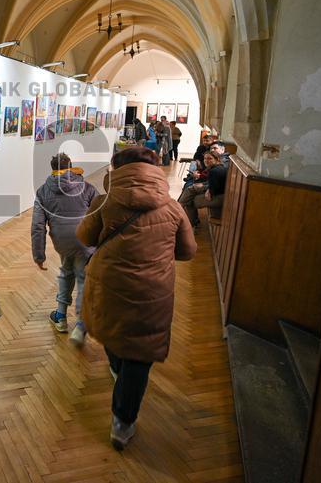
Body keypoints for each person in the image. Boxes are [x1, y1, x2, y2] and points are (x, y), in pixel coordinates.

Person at [76, 147, 196, 451]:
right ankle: (122, 423)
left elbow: (85, 237)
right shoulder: (172, 208)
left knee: (114, 333)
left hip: (108, 286)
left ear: (117, 169)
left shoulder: (104, 201)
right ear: (154, 171)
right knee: (140, 352)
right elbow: (187, 251)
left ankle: (118, 373)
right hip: (152, 292)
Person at [31, 153, 99, 346]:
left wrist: (39, 255)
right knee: (82, 277)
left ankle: (60, 317)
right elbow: (98, 214)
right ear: (71, 166)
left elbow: (37, 225)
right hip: (85, 241)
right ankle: (81, 324)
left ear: (52, 168)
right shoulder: (86, 187)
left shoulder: (44, 191)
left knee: (66, 272)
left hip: (62, 242)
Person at [180, 144, 229, 227]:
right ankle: (189, 222)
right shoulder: (219, 167)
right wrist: (206, 186)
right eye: (205, 158)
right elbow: (213, 184)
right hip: (221, 195)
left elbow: (214, 191)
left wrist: (209, 190)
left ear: (217, 159)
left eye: (210, 158)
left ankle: (187, 220)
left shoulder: (215, 171)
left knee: (191, 200)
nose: (206, 161)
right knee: (191, 191)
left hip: (220, 197)